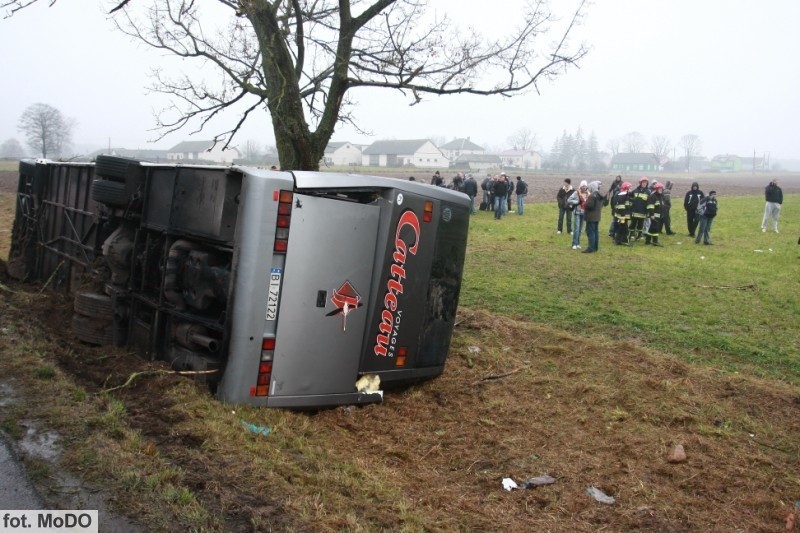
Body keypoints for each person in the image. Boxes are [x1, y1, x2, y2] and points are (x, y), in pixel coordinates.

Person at [582, 181, 604, 253]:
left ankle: (590, 248)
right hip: (597, 217)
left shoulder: (592, 196)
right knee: (595, 232)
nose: (588, 190)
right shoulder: (599, 195)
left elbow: (590, 206)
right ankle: (595, 247)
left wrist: (585, 203)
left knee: (590, 232)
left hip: (591, 217)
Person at [567, 181, 589, 249]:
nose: (584, 187)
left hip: (584, 213)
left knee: (580, 229)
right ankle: (574, 244)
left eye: (585, 186)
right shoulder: (576, 192)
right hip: (577, 213)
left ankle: (578, 243)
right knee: (576, 228)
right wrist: (576, 202)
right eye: (583, 186)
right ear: (581, 186)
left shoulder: (588, 193)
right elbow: (569, 200)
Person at [644, 182, 665, 247]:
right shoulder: (653, 196)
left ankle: (647, 240)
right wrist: (652, 214)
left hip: (659, 214)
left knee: (652, 228)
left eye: (661, 189)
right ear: (656, 189)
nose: (661, 190)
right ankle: (655, 241)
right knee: (655, 228)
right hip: (654, 215)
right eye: (659, 189)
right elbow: (650, 206)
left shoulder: (660, 196)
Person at [629, 177, 650, 242]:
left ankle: (639, 236)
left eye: (645, 183)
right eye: (643, 182)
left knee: (640, 225)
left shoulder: (648, 192)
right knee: (633, 224)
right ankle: (631, 235)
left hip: (643, 212)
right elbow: (630, 198)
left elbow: (649, 203)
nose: (644, 184)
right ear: (640, 183)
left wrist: (648, 212)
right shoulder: (635, 190)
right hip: (634, 211)